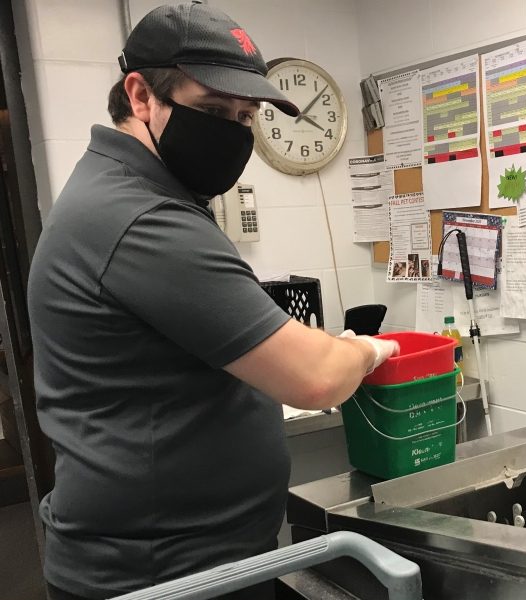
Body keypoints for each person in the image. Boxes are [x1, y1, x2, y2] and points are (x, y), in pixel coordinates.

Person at [26, 3, 399, 600]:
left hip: (193, 563)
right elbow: (317, 379)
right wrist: (368, 349)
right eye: (212, 111)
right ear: (140, 95)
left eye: (245, 116)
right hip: (161, 577)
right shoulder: (140, 219)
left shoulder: (133, 193)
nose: (231, 131)